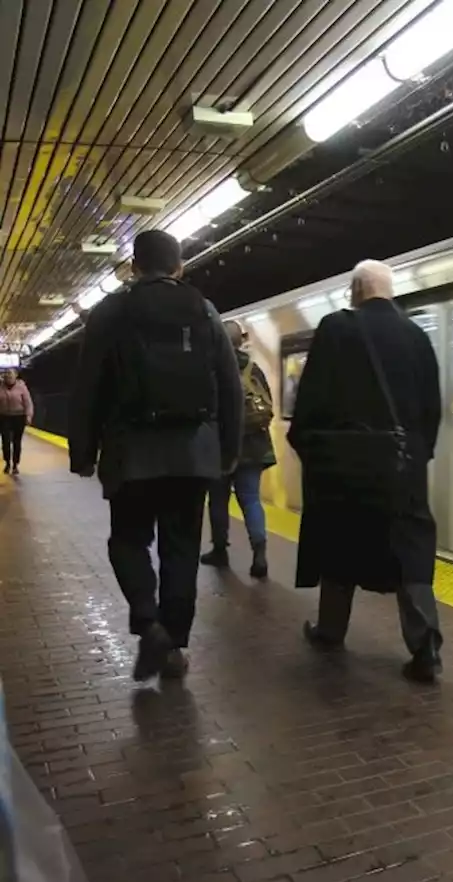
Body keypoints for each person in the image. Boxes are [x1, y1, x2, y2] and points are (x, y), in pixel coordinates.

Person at [68, 230, 243, 683]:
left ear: (132, 268)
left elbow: (88, 386)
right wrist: (228, 451)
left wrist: (83, 452)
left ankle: (149, 624)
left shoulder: (111, 311)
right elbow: (229, 387)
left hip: (132, 453)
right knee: (181, 549)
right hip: (194, 452)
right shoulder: (204, 309)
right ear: (180, 266)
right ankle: (174, 645)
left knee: (127, 541)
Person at [288, 260, 444, 684]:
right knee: (410, 552)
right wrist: (416, 455)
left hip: (343, 464)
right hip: (402, 465)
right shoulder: (416, 335)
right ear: (388, 290)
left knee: (340, 542)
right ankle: (425, 647)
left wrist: (310, 449)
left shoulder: (336, 328)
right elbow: (433, 409)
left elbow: (310, 401)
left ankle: (330, 631)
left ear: (356, 289)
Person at [201, 319, 276, 578]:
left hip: (221, 447)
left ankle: (220, 550)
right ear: (240, 340)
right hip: (254, 446)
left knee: (218, 501)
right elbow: (268, 404)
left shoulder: (211, 366)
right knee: (251, 500)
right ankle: (260, 554)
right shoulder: (253, 367)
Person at [0, 369, 33, 475]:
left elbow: (28, 402)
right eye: (6, 374)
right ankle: (7, 463)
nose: (8, 376)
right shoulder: (0, 387)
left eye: (10, 374)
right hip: (4, 417)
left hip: (19, 417)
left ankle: (15, 464)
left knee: (16, 441)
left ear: (16, 376)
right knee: (5, 441)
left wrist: (28, 415)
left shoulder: (22, 387)